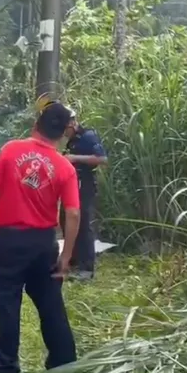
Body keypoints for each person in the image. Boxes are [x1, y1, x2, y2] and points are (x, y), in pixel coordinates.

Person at [0, 100, 81, 373]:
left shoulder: (10, 150)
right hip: (43, 243)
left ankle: (5, 368)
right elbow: (73, 214)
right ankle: (64, 362)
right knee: (50, 302)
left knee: (6, 302)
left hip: (7, 239)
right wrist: (66, 257)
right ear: (64, 133)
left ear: (36, 124)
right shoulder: (65, 167)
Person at [62, 109, 108, 281]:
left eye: (65, 129)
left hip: (85, 185)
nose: (64, 133)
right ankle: (73, 262)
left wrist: (75, 158)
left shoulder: (88, 137)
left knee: (83, 224)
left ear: (72, 123)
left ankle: (86, 269)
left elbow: (102, 159)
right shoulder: (72, 140)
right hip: (72, 184)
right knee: (65, 220)